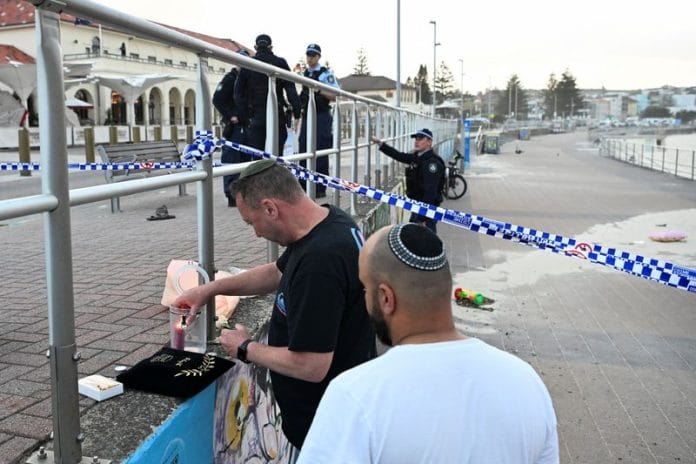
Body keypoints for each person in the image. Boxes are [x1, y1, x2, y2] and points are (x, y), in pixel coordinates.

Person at [297, 223, 559, 464]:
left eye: (365, 289)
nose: (365, 299)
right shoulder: (526, 382)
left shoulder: (356, 395)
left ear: (386, 298)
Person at [172, 159, 376, 451]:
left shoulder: (320, 261)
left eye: (251, 222)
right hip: (337, 416)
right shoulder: (331, 223)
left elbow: (312, 365)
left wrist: (245, 348)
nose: (256, 233)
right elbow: (276, 272)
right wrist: (209, 289)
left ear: (270, 208)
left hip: (329, 431)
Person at [234, 34, 301, 156]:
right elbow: (291, 90)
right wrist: (297, 113)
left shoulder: (248, 64)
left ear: (255, 47)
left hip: (255, 117)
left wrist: (245, 117)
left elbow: (238, 94)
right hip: (277, 117)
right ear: (271, 47)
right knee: (276, 156)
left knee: (257, 157)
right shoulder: (280, 63)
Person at [371, 128, 446, 233]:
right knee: (418, 239)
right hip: (417, 207)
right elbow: (398, 155)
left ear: (429, 142)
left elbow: (430, 192)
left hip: (425, 211)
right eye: (416, 139)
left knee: (426, 239)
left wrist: (422, 218)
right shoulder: (418, 157)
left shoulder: (432, 163)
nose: (416, 141)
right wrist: (380, 143)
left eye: (420, 139)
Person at [298, 43, 340, 198]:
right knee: (304, 148)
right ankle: (303, 185)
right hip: (307, 115)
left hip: (321, 115)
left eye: (313, 55)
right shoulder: (304, 73)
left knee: (321, 150)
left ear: (318, 57)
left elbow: (335, 94)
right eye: (308, 55)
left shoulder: (325, 74)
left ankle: (320, 187)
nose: (309, 58)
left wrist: (319, 90)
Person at [213, 49, 252, 207]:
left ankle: (242, 195)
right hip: (234, 127)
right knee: (231, 160)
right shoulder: (231, 79)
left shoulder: (248, 79)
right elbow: (217, 99)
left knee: (244, 161)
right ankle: (231, 195)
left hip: (246, 126)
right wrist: (231, 116)